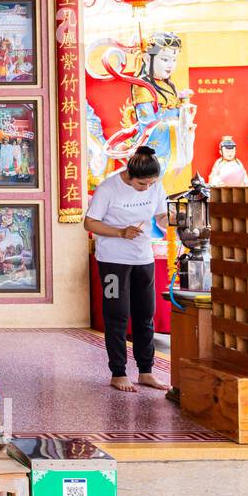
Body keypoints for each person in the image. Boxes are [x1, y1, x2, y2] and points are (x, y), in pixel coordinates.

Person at [83, 146, 170, 393]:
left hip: (143, 258)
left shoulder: (155, 186)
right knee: (117, 315)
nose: (147, 188)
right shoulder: (109, 188)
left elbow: (161, 216)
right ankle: (118, 372)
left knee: (145, 316)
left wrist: (175, 218)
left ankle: (146, 371)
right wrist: (121, 232)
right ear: (129, 175)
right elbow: (89, 223)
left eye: (151, 183)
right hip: (113, 259)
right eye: (142, 184)